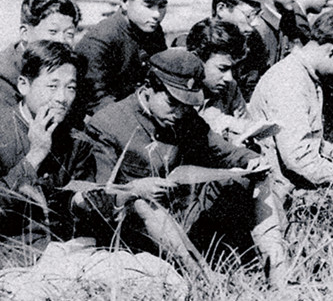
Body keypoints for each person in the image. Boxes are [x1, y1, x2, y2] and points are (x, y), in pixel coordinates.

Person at [85, 49, 279, 281]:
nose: (178, 113)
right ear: (148, 89)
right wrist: (136, 188)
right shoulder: (108, 125)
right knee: (143, 205)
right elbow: (98, 198)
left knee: (248, 178)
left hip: (186, 221)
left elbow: (222, 151)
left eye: (185, 105)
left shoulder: (185, 117)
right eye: (171, 102)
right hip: (138, 232)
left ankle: (274, 268)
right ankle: (204, 278)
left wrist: (251, 160)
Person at [248, 10, 333, 279]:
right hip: (281, 196)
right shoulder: (289, 82)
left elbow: (310, 143)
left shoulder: (304, 74)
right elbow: (300, 161)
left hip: (290, 186)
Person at [0, 41, 95, 247]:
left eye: (70, 88)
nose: (61, 98)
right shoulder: (2, 131)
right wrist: (35, 155)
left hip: (61, 252)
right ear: (24, 85)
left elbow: (79, 214)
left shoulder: (77, 143)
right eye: (52, 86)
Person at [76, 0, 170, 114]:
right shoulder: (100, 41)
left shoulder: (152, 30)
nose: (157, 14)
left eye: (162, 5)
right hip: (107, 120)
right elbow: (96, 101)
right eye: (148, 5)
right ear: (125, 2)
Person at [0, 0, 81, 108]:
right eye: (53, 31)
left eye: (69, 33)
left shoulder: (70, 70)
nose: (61, 41)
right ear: (25, 33)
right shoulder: (5, 78)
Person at [185, 18, 259, 142]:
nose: (229, 78)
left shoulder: (230, 88)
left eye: (233, 69)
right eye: (222, 68)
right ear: (197, 60)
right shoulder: (178, 88)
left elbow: (248, 128)